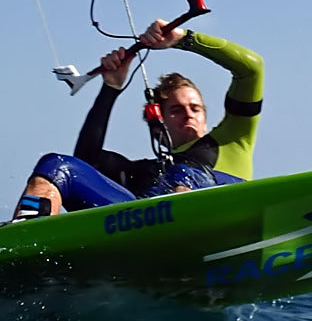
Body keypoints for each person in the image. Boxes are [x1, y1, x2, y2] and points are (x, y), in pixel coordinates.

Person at [13, 18, 263, 219]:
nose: (188, 114)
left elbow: (252, 70)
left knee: (184, 173)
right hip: (146, 222)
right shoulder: (141, 172)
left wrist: (183, 39)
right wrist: (110, 88)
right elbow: (86, 161)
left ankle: (183, 228)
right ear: (158, 122)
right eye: (176, 110)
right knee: (56, 166)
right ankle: (24, 239)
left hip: (220, 213)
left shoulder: (233, 139)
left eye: (195, 108)